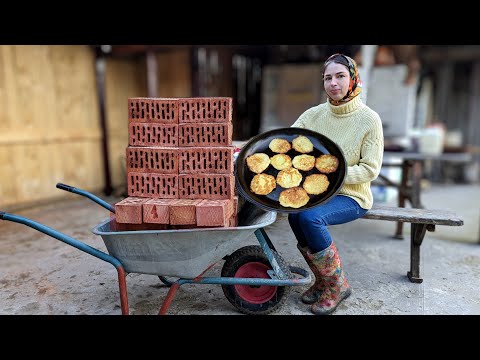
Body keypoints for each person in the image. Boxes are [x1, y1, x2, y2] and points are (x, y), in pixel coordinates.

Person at [289, 53, 384, 315]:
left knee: (310, 218)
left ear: (353, 78)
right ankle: (323, 280)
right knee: (295, 215)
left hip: (352, 195)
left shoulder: (369, 119)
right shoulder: (313, 115)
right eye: (328, 77)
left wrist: (331, 177)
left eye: (340, 76)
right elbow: (288, 141)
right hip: (320, 192)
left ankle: (338, 285)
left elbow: (370, 170)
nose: (333, 83)